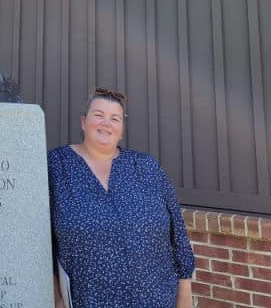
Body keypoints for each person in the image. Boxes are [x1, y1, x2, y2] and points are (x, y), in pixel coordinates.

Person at [48, 87, 195, 308]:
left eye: (115, 118)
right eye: (98, 115)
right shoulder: (56, 166)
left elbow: (178, 234)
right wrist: (55, 296)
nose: (106, 123)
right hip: (90, 300)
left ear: (122, 130)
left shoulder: (147, 167)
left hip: (157, 299)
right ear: (83, 122)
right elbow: (41, 239)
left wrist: (184, 296)